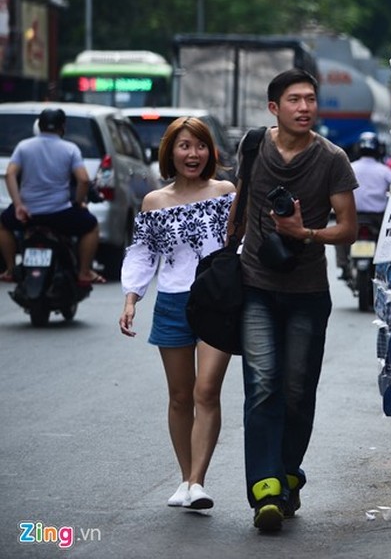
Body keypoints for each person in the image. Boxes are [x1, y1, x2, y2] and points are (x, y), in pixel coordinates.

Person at [236, 68, 357, 532]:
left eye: (310, 99)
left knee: (296, 390)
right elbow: (239, 207)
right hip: (256, 286)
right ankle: (265, 489)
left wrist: (303, 232)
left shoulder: (332, 159)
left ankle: (288, 474)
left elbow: (347, 228)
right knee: (263, 383)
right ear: (274, 108)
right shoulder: (252, 146)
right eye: (294, 100)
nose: (305, 107)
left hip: (308, 292)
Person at [118, 117, 237, 509]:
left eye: (200, 146)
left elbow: (240, 244)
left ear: (210, 152)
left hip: (217, 301)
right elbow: (142, 252)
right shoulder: (155, 201)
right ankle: (185, 480)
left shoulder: (225, 193)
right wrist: (132, 297)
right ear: (170, 151)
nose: (193, 154)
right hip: (172, 302)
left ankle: (198, 481)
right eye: (184, 146)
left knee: (207, 391)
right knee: (180, 396)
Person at [0, 107, 104, 287]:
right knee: (92, 227)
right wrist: (78, 204)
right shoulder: (70, 149)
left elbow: (10, 174)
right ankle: (84, 272)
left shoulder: (23, 147)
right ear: (63, 127)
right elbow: (84, 180)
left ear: (39, 126)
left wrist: (18, 205)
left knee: (3, 224)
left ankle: (10, 269)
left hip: (27, 215)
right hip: (60, 215)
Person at [336, 131, 391, 278]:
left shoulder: (350, 167)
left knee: (340, 236)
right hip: (378, 218)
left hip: (352, 216)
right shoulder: (385, 171)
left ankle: (343, 265)